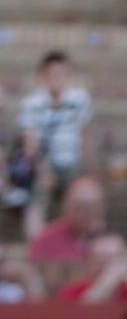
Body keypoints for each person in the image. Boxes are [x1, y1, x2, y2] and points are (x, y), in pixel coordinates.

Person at [15, 51, 94, 230]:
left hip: (72, 160)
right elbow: (29, 144)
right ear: (43, 76)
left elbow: (85, 136)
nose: (57, 78)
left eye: (62, 74)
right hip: (44, 161)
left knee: (80, 197)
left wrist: (89, 170)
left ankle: (74, 244)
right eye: (52, 74)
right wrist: (42, 169)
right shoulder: (32, 104)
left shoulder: (79, 99)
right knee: (37, 199)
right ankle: (35, 246)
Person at [54, 233, 127, 305]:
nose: (112, 267)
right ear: (89, 262)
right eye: (102, 259)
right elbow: (78, 317)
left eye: (116, 258)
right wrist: (106, 283)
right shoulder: (71, 291)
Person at [27, 174, 104, 263]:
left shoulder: (106, 242)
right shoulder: (46, 241)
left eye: (98, 206)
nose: (93, 213)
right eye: (84, 207)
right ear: (67, 207)